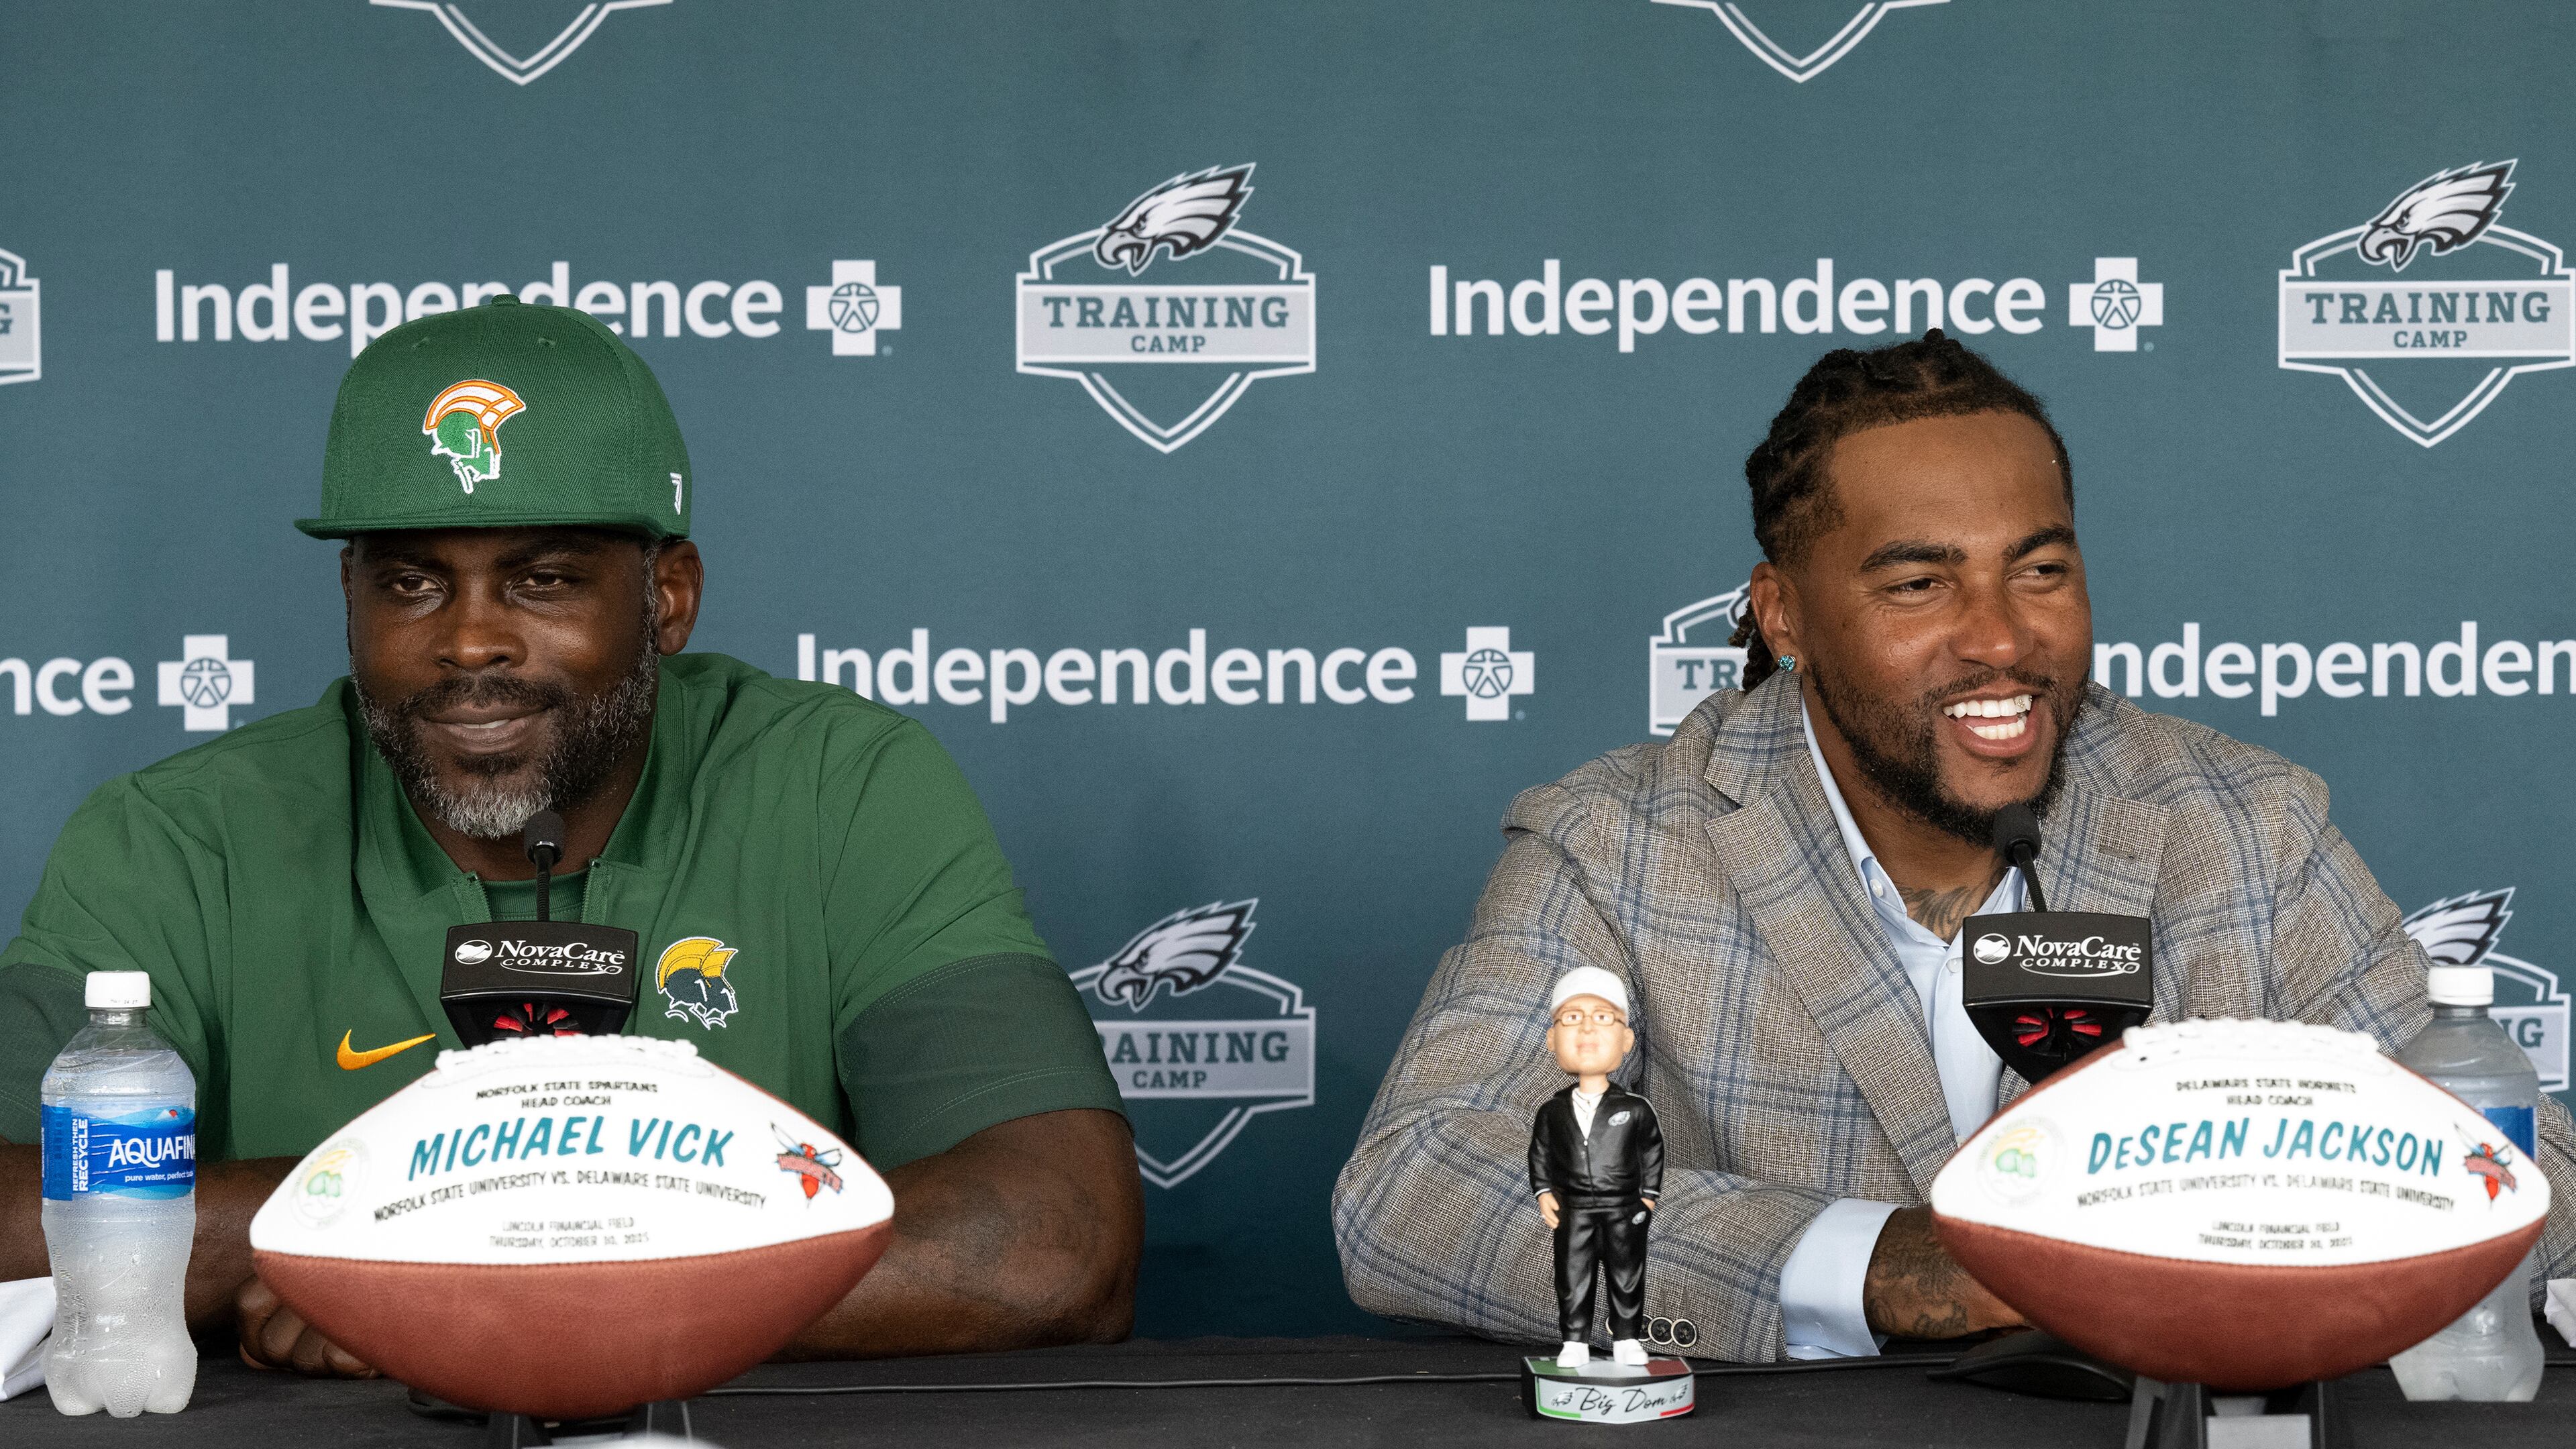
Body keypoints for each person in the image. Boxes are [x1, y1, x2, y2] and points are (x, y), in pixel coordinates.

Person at [1334, 330, 2576, 1362]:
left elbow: (2533, 1178)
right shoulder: (1621, 846)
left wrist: (2245, 1224)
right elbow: (1419, 1190)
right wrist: (1880, 1263)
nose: (1999, 640)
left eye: (2039, 568)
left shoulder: (2239, 825)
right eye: (1920, 586)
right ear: (1786, 615)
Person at [0, 297, 1142, 1375]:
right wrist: (414, 1230)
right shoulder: (178, 834)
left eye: (542, 580)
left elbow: (1054, 1243)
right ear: (350, 595)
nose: (471, 643)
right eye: (412, 584)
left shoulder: (843, 785)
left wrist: (460, 1285)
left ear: (669, 597)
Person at [1528, 967, 1662, 1368]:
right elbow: (1540, 1153)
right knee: (1572, 1277)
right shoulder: (1552, 1110)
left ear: (1626, 1040)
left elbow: (1652, 1151)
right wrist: (1544, 1192)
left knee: (1626, 1274)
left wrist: (1648, 1199)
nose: (1587, 1028)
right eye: (1572, 1018)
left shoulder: (1635, 1109)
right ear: (1552, 1039)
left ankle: (1626, 1338)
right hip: (1573, 1209)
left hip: (1624, 1207)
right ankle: (1574, 1341)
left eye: (1603, 1018)